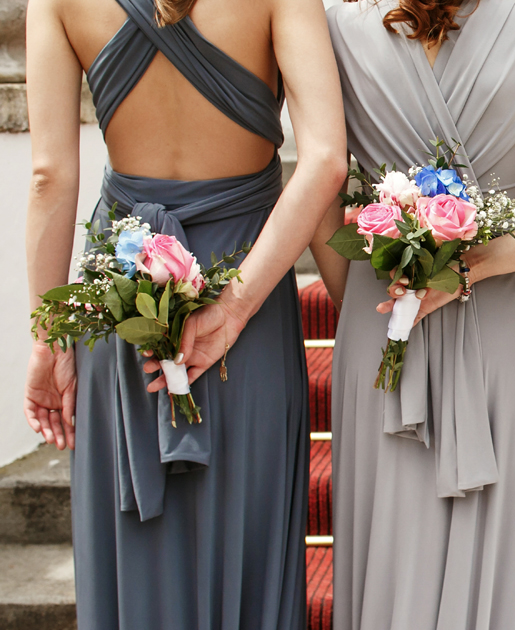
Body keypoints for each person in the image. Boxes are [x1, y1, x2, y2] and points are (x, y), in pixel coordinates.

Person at [22, 0, 346, 625]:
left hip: (124, 296)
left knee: (136, 546)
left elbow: (49, 177)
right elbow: (327, 160)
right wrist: (235, 305)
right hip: (244, 295)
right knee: (245, 532)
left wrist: (48, 339)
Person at [306, 0, 515, 627]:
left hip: (383, 320)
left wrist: (363, 302)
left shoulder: (333, 29)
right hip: (504, 328)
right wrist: (479, 266)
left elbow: (318, 190)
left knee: (389, 554)